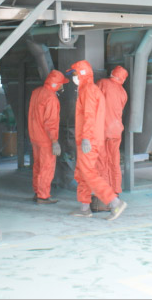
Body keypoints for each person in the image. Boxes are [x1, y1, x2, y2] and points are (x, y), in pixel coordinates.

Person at [68, 60, 127, 221]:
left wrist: (86, 138)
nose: (74, 78)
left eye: (75, 74)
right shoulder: (117, 91)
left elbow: (89, 116)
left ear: (82, 74)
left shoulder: (90, 90)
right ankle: (84, 208)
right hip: (105, 134)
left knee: (89, 173)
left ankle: (115, 203)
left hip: (90, 139)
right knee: (83, 173)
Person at [28, 69, 68, 205]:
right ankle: (43, 196)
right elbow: (51, 122)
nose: (62, 86)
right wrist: (55, 141)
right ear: (56, 84)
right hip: (46, 139)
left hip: (34, 136)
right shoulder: (51, 98)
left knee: (37, 165)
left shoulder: (36, 92)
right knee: (46, 167)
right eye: (61, 83)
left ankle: (37, 192)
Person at [96, 66, 128, 199]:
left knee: (102, 161)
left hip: (102, 130)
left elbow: (93, 101)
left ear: (112, 73)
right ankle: (116, 191)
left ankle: (105, 193)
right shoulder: (123, 92)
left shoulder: (102, 83)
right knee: (114, 161)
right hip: (116, 130)